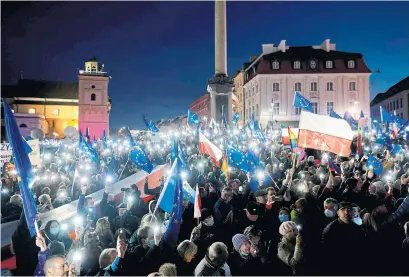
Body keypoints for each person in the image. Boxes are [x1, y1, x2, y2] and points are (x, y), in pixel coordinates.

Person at [321, 201, 367, 275]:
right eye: (343, 209)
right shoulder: (330, 230)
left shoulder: (358, 229)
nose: (346, 212)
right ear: (338, 213)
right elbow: (327, 255)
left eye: (349, 209)